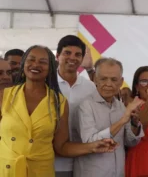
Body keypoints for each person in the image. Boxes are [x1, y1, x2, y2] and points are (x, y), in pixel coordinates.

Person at [0, 45, 115, 177]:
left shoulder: (59, 102)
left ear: (50, 68)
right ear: (23, 64)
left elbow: (61, 147)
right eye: (31, 60)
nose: (35, 65)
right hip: (6, 170)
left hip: (41, 172)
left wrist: (92, 146)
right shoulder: (5, 95)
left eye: (43, 62)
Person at [74, 58, 144, 177]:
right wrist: (122, 121)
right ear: (95, 79)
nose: (108, 84)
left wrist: (134, 123)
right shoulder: (85, 106)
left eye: (114, 79)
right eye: (103, 78)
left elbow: (131, 142)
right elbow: (90, 143)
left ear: (121, 82)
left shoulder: (121, 106)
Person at [54, 35, 98, 177]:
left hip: (84, 161)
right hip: (52, 161)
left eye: (78, 54)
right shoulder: (46, 85)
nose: (72, 58)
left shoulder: (90, 87)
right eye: (67, 53)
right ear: (57, 55)